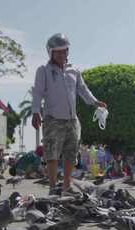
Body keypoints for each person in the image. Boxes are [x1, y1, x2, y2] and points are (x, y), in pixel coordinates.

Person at [31, 33, 107, 195]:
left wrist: (95, 102)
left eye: (65, 51)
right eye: (58, 51)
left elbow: (82, 89)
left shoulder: (74, 71)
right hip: (52, 119)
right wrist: (35, 111)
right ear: (50, 52)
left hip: (72, 120)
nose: (62, 54)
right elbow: (37, 92)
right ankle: (53, 187)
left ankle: (67, 185)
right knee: (52, 153)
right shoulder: (43, 70)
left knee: (71, 154)